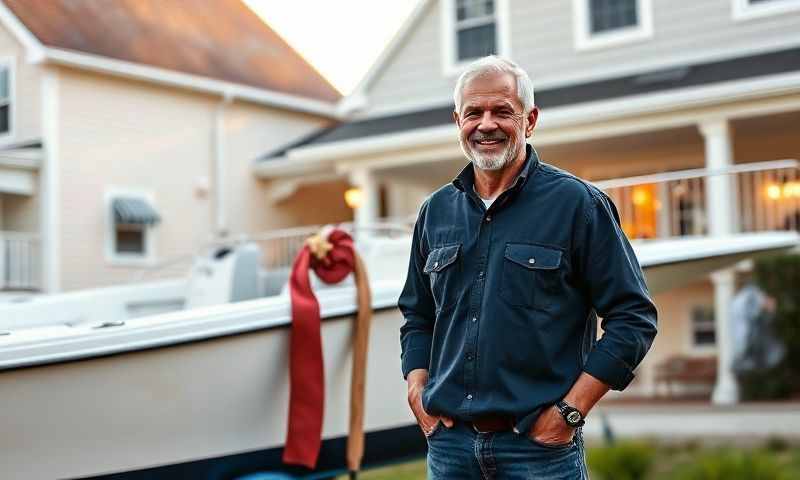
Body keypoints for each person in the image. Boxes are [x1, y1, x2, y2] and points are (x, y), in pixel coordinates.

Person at [398, 56, 658, 479]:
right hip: (450, 451)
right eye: (473, 113)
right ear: (457, 121)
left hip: (539, 453)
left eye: (502, 111)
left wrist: (570, 413)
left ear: (530, 120)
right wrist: (417, 387)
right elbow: (418, 314)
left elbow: (634, 318)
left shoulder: (578, 205)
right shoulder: (435, 212)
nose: (486, 125)